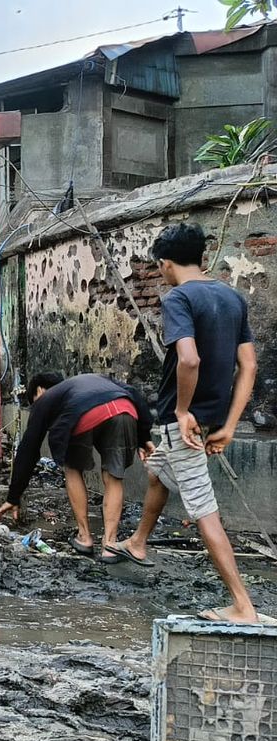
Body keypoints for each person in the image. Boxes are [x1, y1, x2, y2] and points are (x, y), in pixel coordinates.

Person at [112, 223, 259, 623]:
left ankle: (243, 605)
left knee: (203, 508)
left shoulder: (178, 297)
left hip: (187, 424)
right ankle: (139, 543)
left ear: (166, 263)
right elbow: (248, 366)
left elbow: (189, 359)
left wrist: (181, 411)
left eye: (160, 267)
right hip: (212, 419)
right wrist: (230, 424)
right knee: (158, 472)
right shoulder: (232, 297)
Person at [0, 373, 152, 562]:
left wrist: (13, 496)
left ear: (38, 391)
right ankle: (110, 545)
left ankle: (84, 537)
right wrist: (144, 438)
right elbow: (133, 392)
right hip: (123, 409)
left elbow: (28, 448)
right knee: (113, 477)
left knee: (72, 469)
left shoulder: (45, 399)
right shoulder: (94, 380)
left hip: (82, 414)